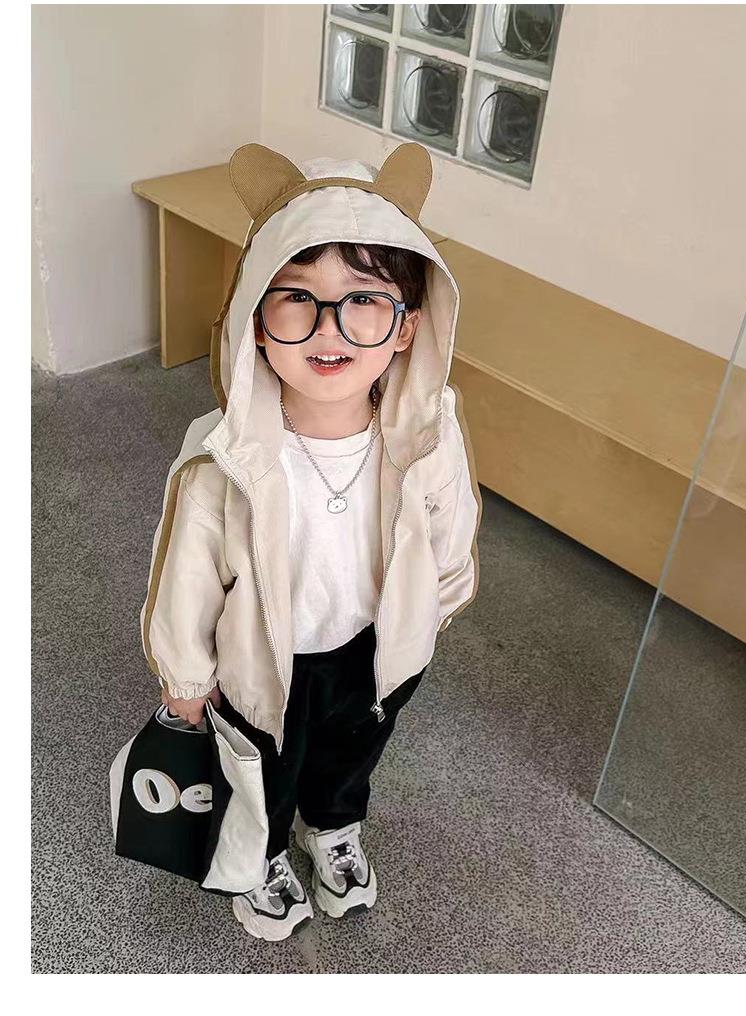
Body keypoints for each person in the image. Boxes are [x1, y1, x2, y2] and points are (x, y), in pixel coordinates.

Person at [139, 142, 483, 941]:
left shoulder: (429, 435)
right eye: (296, 297)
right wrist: (185, 678)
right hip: (263, 662)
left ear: (408, 326)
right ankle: (261, 854)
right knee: (263, 768)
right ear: (255, 322)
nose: (331, 329)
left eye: (366, 299)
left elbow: (449, 525)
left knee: (350, 756)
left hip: (375, 651)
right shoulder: (224, 458)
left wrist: (432, 611)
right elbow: (188, 575)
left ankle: (332, 828)